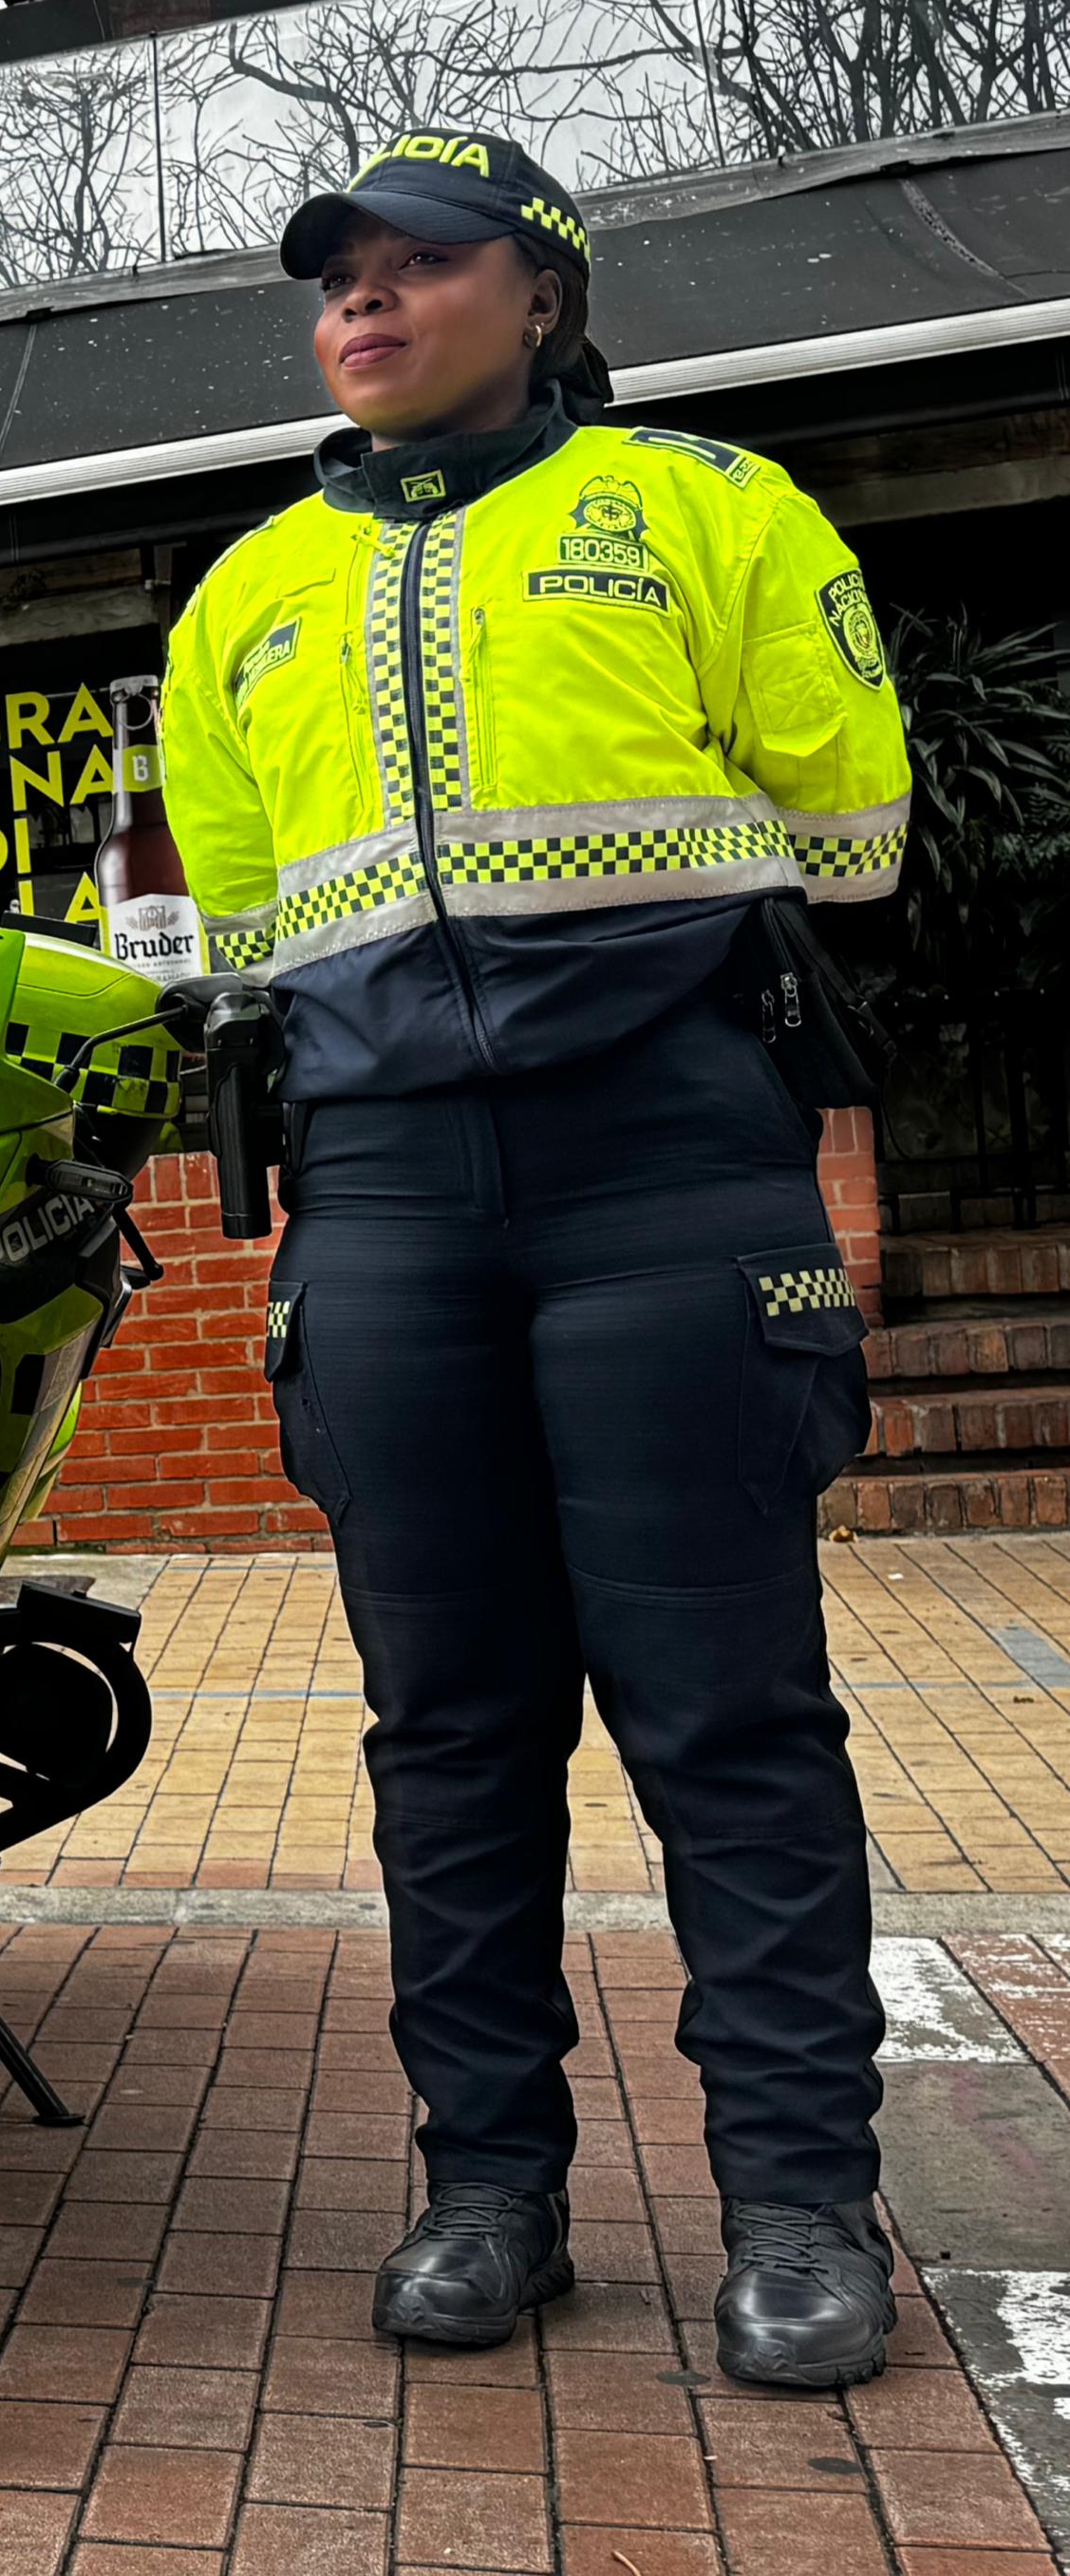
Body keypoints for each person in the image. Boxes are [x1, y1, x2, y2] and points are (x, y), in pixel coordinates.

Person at [160, 133, 913, 2387]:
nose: (365, 306)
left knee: (732, 1721)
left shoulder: (713, 509)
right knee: (448, 1735)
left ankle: (802, 2206)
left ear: (544, 297)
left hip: (665, 1167)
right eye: (338, 280)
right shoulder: (242, 596)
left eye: (419, 267)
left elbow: (851, 818)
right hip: (381, 1198)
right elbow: (236, 917)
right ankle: (486, 2187)